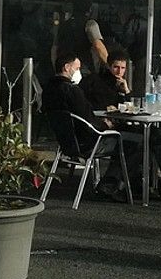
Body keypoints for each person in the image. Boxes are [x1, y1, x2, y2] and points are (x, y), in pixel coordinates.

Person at [40, 52, 132, 202]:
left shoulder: (49, 89)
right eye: (77, 68)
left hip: (67, 142)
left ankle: (113, 183)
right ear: (66, 68)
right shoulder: (71, 90)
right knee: (130, 143)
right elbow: (87, 117)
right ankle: (111, 184)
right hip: (87, 142)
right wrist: (104, 125)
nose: (79, 72)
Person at [54, 0, 107, 73]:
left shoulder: (63, 26)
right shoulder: (90, 24)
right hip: (84, 67)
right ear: (89, 10)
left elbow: (55, 48)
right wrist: (109, 65)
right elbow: (98, 46)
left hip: (65, 68)